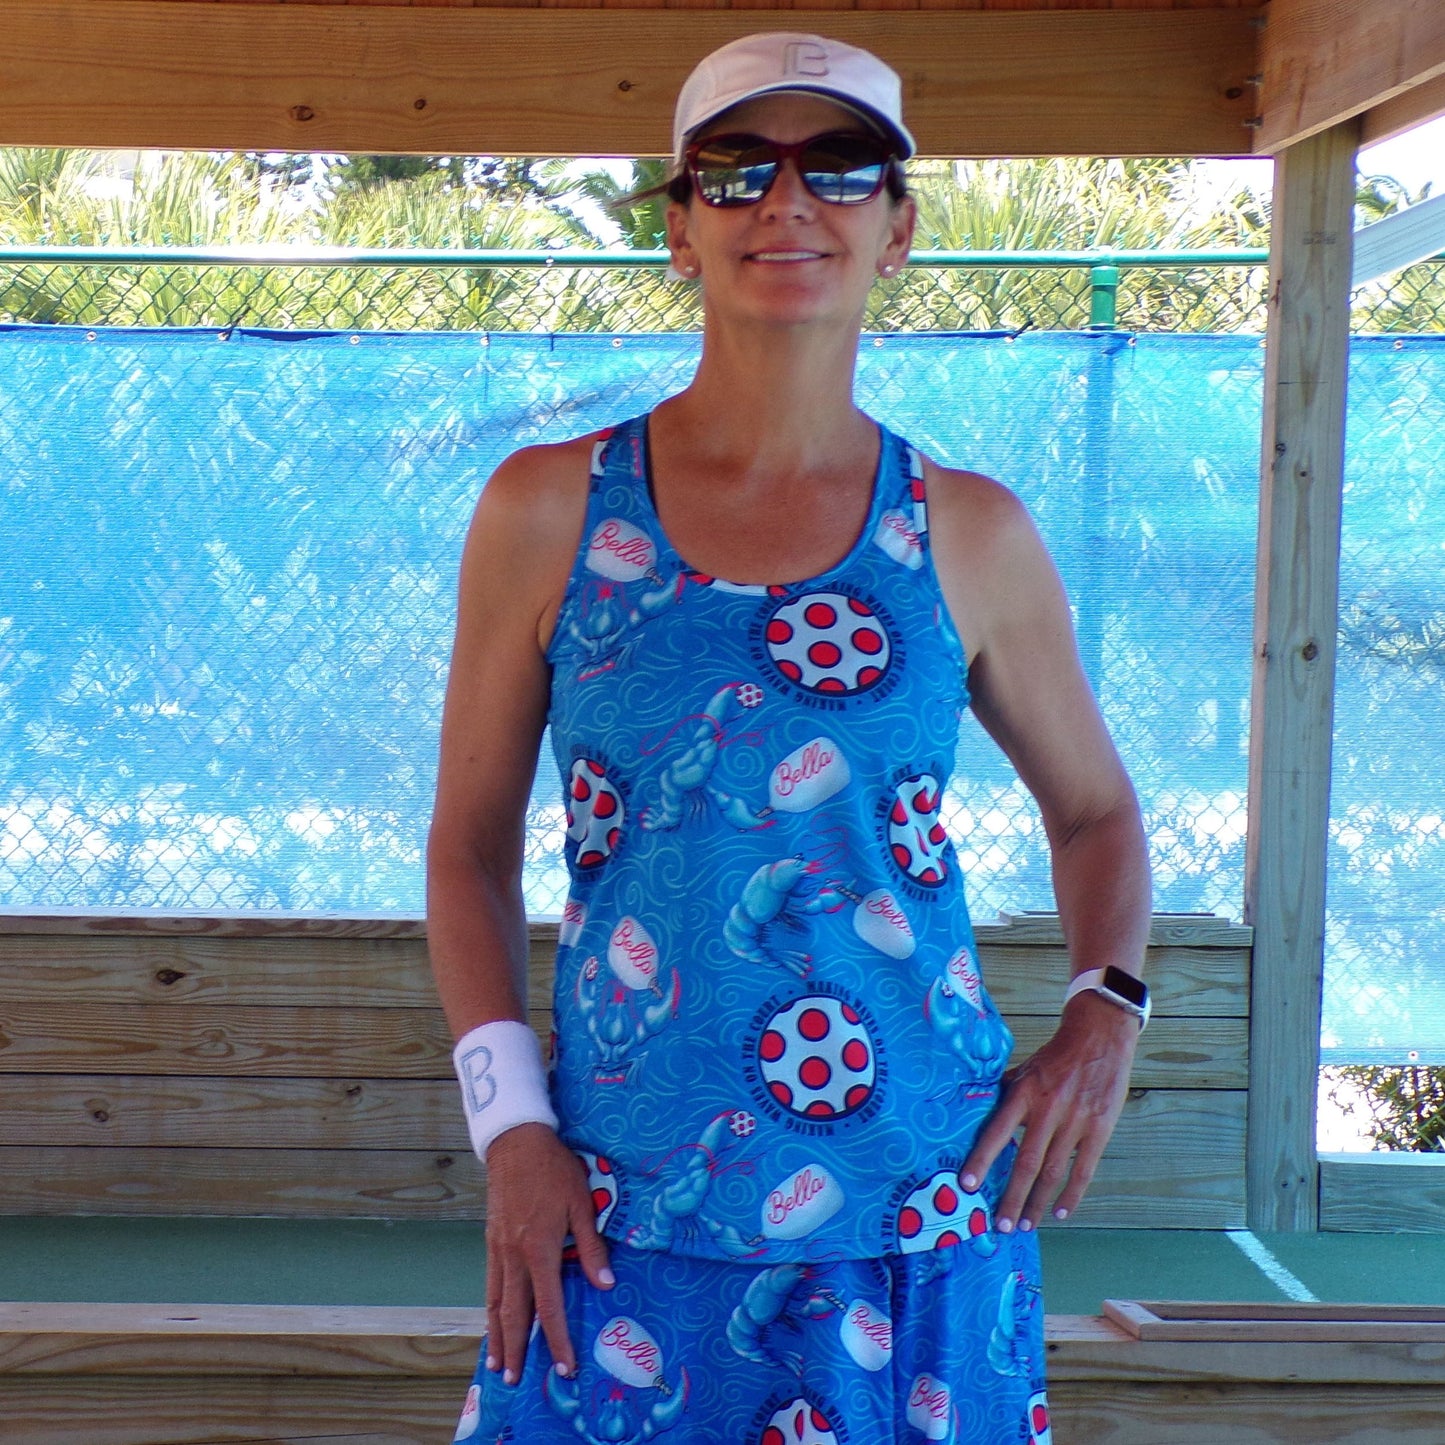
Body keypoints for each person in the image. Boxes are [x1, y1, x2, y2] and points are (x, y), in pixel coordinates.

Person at [429, 31, 1150, 1445]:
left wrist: (1103, 1013)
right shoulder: (545, 509)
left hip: (924, 1198)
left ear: (898, 227)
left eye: (840, 166)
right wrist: (512, 1128)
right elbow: (465, 851)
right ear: (679, 228)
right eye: (736, 170)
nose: (786, 201)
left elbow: (1096, 816)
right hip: (618, 1196)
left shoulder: (967, 529)